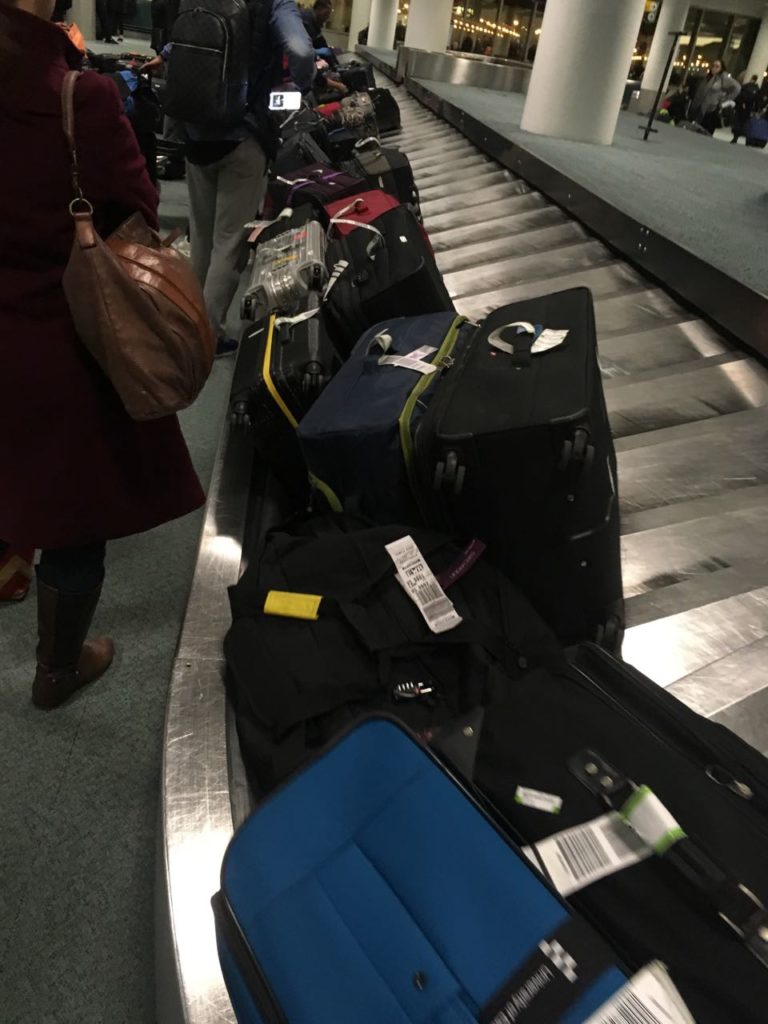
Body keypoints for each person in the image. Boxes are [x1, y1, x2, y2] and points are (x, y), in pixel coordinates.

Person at [0, 0, 205, 708]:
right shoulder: (75, 97)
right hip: (59, 342)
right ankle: (58, 669)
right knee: (73, 515)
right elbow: (135, 206)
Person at [146, 1, 315, 355]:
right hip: (243, 136)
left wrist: (165, 55)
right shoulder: (275, 3)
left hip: (196, 131)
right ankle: (206, 337)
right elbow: (300, 50)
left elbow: (184, 40)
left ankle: (185, 325)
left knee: (201, 238)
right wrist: (305, 83)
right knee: (229, 244)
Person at [689, 58, 740, 135]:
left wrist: (725, 99)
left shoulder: (723, 77)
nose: (714, 68)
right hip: (701, 107)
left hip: (712, 109)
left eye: (717, 66)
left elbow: (737, 88)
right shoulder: (709, 77)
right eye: (713, 66)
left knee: (705, 132)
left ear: (721, 68)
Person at [732, 74, 761, 143]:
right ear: (756, 80)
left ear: (751, 79)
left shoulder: (745, 86)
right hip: (749, 108)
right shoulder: (757, 89)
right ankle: (743, 137)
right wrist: (756, 110)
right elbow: (757, 100)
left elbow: (739, 95)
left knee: (738, 121)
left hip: (741, 106)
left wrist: (737, 104)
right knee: (745, 122)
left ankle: (735, 137)